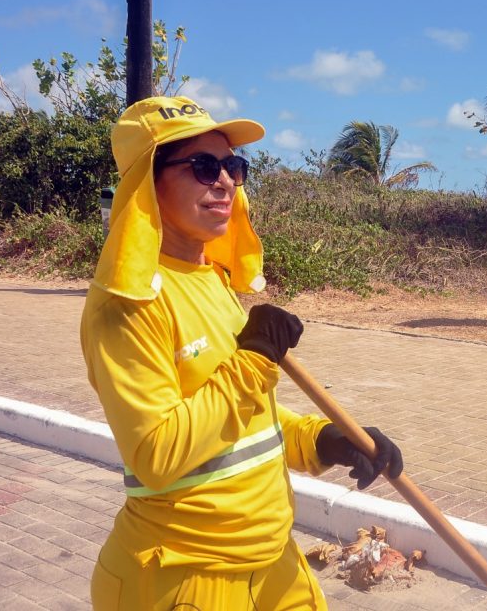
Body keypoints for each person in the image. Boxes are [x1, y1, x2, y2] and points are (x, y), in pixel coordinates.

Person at [80, 95, 403, 610]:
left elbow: (245, 419)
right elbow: (157, 454)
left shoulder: (210, 279)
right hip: (187, 577)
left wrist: (325, 440)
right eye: (203, 166)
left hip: (271, 561)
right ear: (147, 183)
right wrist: (253, 357)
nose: (225, 181)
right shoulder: (128, 304)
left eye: (233, 166)